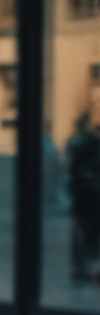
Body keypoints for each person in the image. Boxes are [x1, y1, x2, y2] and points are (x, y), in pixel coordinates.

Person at [68, 107, 100, 284]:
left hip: (83, 196)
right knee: (88, 235)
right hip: (89, 197)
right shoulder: (89, 143)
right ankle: (89, 269)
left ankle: (83, 268)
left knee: (83, 233)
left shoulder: (76, 142)